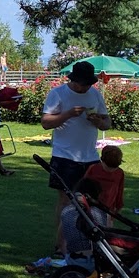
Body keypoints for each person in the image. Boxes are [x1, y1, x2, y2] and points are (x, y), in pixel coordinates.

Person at [41, 60, 111, 255]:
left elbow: (107, 123)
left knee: (94, 201)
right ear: (74, 80)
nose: (85, 87)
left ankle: (89, 241)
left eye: (88, 84)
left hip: (89, 155)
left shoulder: (95, 95)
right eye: (82, 84)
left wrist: (99, 121)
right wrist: (68, 114)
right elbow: (46, 123)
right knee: (65, 201)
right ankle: (60, 244)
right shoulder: (58, 94)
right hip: (64, 155)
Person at [79, 145, 126, 215]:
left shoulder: (119, 173)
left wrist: (119, 206)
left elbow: (119, 190)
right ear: (102, 160)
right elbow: (83, 186)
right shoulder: (93, 169)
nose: (110, 170)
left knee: (107, 224)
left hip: (109, 209)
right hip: (91, 205)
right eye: (108, 167)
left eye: (114, 167)